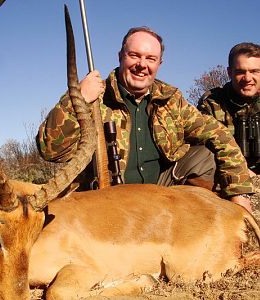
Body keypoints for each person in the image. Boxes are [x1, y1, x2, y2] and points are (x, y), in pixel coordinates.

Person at [37, 27, 254, 212]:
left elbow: (219, 134)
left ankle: (188, 220)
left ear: (159, 63)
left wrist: (240, 194)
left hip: (160, 194)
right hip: (105, 200)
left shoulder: (171, 99)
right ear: (120, 56)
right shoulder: (95, 97)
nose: (142, 65)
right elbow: (50, 150)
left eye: (150, 58)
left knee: (205, 157)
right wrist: (78, 98)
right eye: (134, 55)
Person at [197, 42, 260, 175]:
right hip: (227, 174)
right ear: (229, 72)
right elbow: (204, 152)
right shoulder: (211, 104)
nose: (247, 78)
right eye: (240, 72)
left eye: (255, 71)